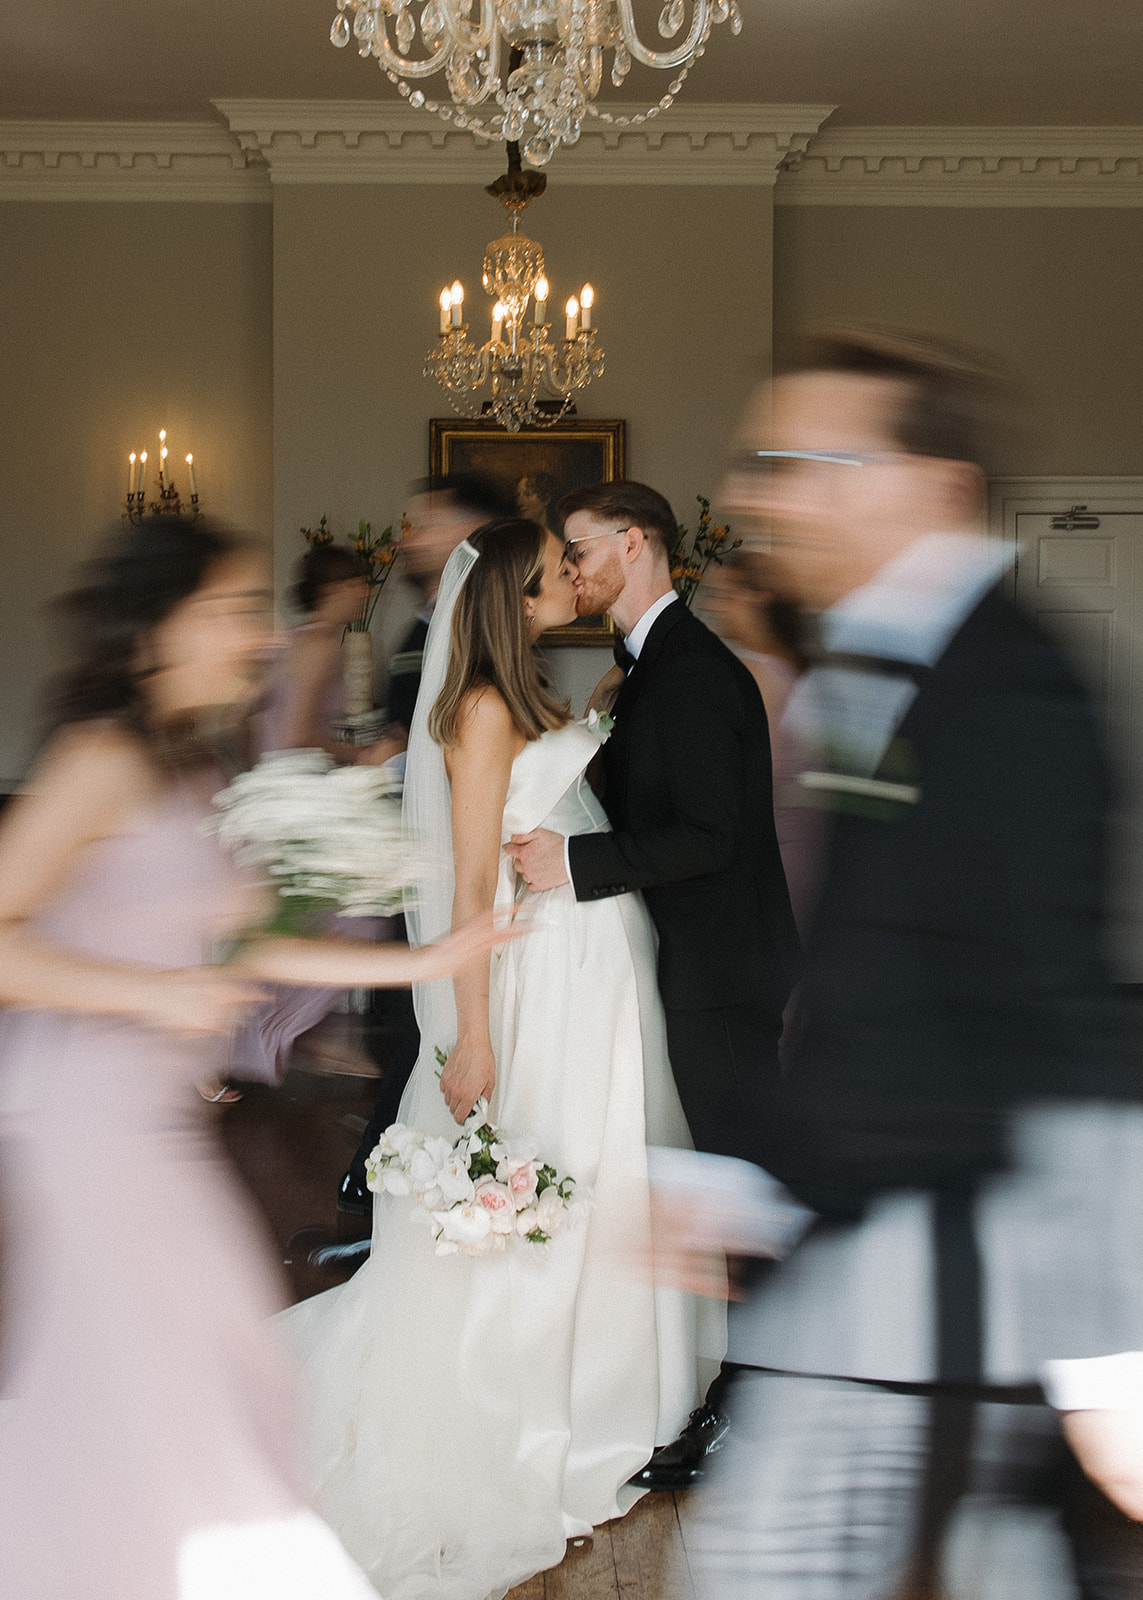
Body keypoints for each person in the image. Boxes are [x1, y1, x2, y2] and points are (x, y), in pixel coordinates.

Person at [675, 329, 1143, 1599]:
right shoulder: (885, 662)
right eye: (764, 463)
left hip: (948, 1270)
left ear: (935, 485)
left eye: (811, 462)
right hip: (872, 1255)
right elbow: (881, 965)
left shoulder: (1005, 684)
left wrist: (1111, 1346)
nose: (768, 494)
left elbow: (1042, 1006)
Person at [0, 517, 514, 1600]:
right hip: (84, 1124)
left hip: (150, 1126)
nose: (261, 637)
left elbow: (240, 942)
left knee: (207, 1375)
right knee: (169, 1386)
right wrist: (154, 991)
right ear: (153, 625)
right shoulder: (98, 756)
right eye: (229, 612)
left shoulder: (189, 764)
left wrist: (433, 956)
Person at [281, 518, 724, 1600]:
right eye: (553, 573)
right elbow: (470, 877)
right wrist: (469, 1029)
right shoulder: (477, 708)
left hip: (600, 977)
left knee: (607, 1168)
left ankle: (616, 1380)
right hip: (543, 986)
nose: (574, 579)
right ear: (514, 599)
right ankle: (533, 1406)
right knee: (559, 1178)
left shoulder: (527, 688)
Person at [506, 479, 800, 1489]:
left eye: (582, 551)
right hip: (694, 960)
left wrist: (575, 866)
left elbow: (711, 836)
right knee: (714, 1180)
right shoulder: (655, 666)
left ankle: (760, 1404)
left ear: (635, 544)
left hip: (722, 970)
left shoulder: (694, 672)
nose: (574, 571)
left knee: (733, 1183)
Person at [337, 471, 516, 1216]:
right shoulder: (422, 631)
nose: (409, 537)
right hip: (424, 866)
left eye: (425, 523)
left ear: (465, 536)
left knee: (422, 1030)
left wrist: (390, 760)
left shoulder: (481, 644)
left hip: (450, 871)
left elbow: (456, 759)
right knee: (414, 1026)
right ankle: (386, 1178)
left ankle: (381, 1179)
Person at [699, 551, 818, 935]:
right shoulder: (796, 667)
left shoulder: (754, 675)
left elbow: (748, 784)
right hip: (805, 854)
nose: (714, 606)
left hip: (773, 861)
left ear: (757, 598)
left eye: (724, 595)